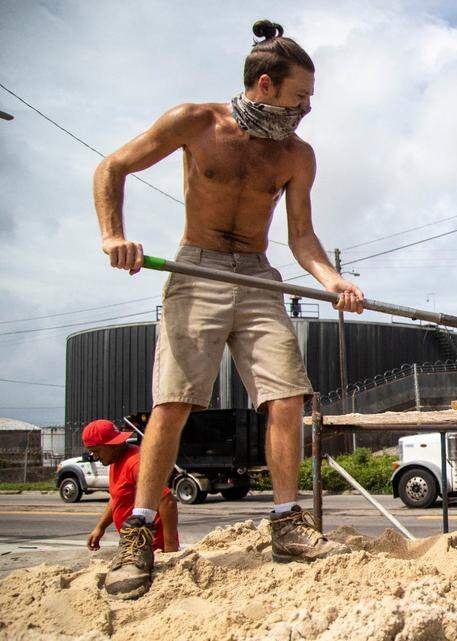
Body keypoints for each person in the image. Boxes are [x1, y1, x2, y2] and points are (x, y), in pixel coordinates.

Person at [92, 20, 362, 599]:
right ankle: (138, 535)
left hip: (259, 275)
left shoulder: (297, 155)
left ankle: (287, 524)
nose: (307, 110)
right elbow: (112, 167)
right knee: (175, 400)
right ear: (264, 85)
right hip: (197, 269)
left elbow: (303, 238)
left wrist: (334, 280)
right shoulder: (195, 122)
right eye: (300, 98)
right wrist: (114, 236)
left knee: (287, 394)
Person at [83, 420, 179, 597]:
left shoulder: (135, 463)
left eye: (97, 451)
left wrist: (170, 547)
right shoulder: (116, 462)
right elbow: (116, 498)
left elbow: (167, 501)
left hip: (151, 550)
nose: (95, 457)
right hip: (134, 547)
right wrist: (101, 527)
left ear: (112, 445)